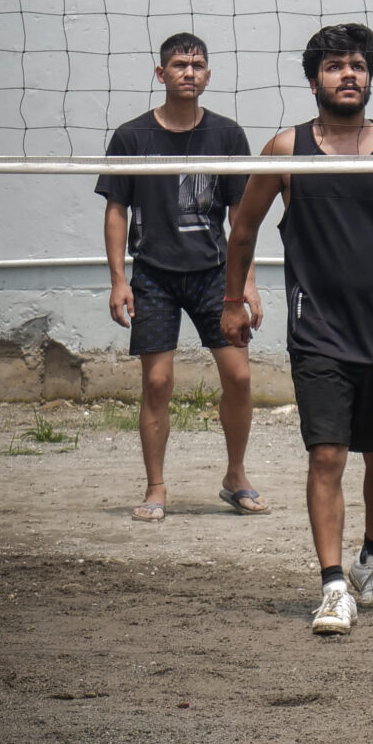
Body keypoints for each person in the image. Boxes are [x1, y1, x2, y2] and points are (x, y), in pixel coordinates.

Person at [219, 21, 373, 636]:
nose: (349, 74)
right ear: (313, 80)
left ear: (370, 77)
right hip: (317, 329)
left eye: (358, 66)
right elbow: (243, 231)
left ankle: (372, 559)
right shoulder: (285, 150)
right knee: (326, 454)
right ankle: (333, 586)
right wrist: (234, 298)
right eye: (335, 66)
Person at [96, 31, 264, 523]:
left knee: (239, 376)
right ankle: (156, 487)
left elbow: (243, 218)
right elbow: (116, 211)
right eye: (178, 65)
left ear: (207, 75)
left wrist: (248, 282)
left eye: (197, 65)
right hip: (154, 274)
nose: (189, 72)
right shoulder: (132, 136)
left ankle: (235, 476)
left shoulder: (227, 135)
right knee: (157, 381)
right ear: (161, 73)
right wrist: (118, 279)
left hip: (215, 274)